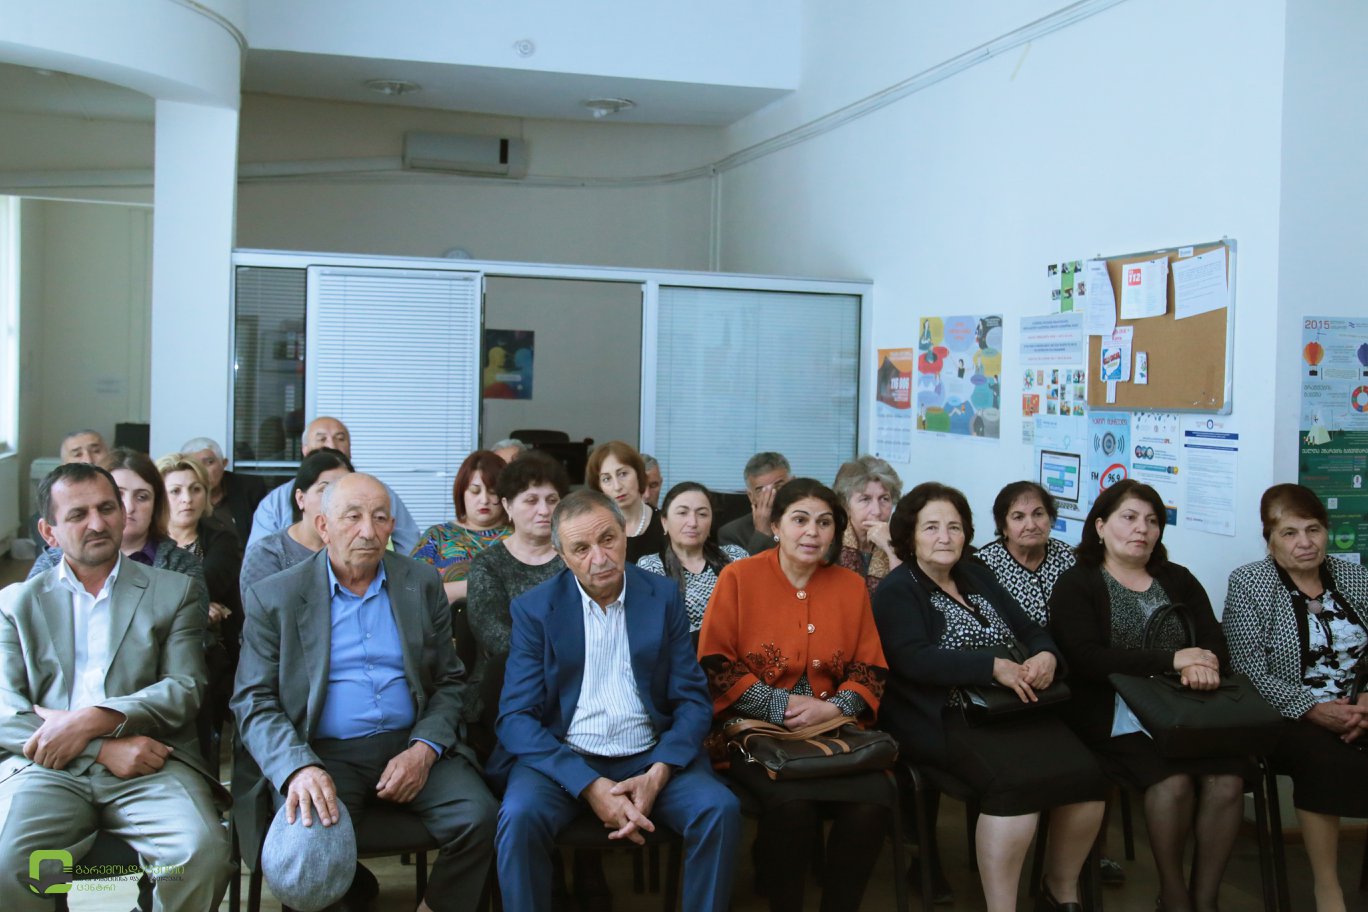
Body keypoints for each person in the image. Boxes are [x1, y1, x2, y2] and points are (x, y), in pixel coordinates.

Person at [233, 473, 497, 912]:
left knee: (480, 816)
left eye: (379, 518)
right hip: (321, 751)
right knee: (309, 846)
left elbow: (449, 681)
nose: (368, 531)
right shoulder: (276, 596)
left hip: (409, 742)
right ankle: (349, 888)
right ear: (323, 526)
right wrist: (298, 768)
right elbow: (253, 701)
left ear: (392, 525)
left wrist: (424, 750)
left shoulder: (420, 582)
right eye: (352, 517)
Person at [492, 489, 741, 912]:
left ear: (625, 534)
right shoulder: (535, 610)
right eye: (581, 548)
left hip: (650, 755)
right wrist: (589, 785)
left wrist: (658, 774)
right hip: (565, 759)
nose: (599, 557)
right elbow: (515, 717)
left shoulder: (662, 597)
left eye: (607, 539)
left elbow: (693, 700)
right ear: (562, 555)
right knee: (519, 818)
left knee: (719, 809)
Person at [0, 463, 232, 911]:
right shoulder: (14, 604)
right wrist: (100, 749)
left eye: (107, 508)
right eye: (78, 514)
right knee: (11, 864)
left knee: (199, 856)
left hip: (150, 762)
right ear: (49, 532)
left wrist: (91, 720)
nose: (97, 523)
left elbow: (183, 688)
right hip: (47, 767)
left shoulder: (174, 592)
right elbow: (5, 710)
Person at [871, 482, 1106, 912]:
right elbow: (912, 659)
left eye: (955, 527)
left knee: (1088, 777)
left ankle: (1060, 890)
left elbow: (1028, 628)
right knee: (1014, 787)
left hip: (1012, 707)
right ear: (909, 536)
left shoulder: (976, 575)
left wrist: (1046, 655)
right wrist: (990, 667)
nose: (945, 537)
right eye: (931, 527)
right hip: (945, 716)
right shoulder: (898, 589)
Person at [1050, 480, 1245, 912]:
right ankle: (1173, 896)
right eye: (1130, 518)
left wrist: (1203, 664)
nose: (1142, 529)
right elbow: (1085, 658)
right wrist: (1172, 659)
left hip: (1187, 707)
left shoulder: (1177, 578)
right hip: (1113, 711)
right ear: (1100, 526)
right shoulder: (1078, 583)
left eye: (1153, 521)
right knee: (1172, 782)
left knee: (1227, 781)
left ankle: (1206, 899)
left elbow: (1213, 639)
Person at [698, 478, 890, 912]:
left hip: (833, 733)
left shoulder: (850, 586)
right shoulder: (738, 577)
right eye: (800, 520)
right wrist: (778, 705)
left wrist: (833, 708)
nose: (812, 532)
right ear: (776, 526)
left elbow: (872, 668)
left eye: (824, 523)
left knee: (873, 802)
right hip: (755, 733)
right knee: (793, 806)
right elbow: (715, 663)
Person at [1224, 483, 1368, 912]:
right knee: (1326, 759)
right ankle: (1328, 888)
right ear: (1269, 539)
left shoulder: (1355, 576)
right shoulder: (1251, 583)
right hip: (1287, 715)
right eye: (1289, 532)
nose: (1305, 542)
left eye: (1313, 529)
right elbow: (1247, 670)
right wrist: (1312, 709)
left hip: (1358, 706)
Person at [465, 452, 569, 758]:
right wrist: (555, 662)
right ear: (508, 506)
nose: (544, 510)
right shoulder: (488, 564)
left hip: (574, 679)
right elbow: (494, 635)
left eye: (552, 500)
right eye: (531, 500)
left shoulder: (575, 558)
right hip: (507, 682)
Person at [28, 448, 206, 593]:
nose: (129, 507)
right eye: (118, 495)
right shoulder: (52, 562)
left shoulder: (181, 566)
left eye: (142, 497)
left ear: (156, 504)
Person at [245, 416, 420, 553]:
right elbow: (259, 558)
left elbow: (410, 547)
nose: (331, 445)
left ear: (350, 449)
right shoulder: (275, 501)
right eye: (321, 439)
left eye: (340, 438)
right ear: (305, 450)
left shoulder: (378, 493)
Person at [637, 481, 746, 641]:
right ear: (664, 522)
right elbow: (655, 629)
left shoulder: (736, 557)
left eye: (702, 514)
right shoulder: (650, 568)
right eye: (682, 513)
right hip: (681, 655)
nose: (693, 523)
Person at [238, 448, 354, 599]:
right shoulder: (267, 553)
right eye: (324, 489)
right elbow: (264, 610)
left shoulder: (360, 546)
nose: (337, 500)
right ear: (300, 498)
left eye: (344, 491)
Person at [157, 452, 243, 639]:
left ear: (206, 494)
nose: (187, 499)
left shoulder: (223, 540)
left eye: (196, 489)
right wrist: (201, 609)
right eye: (175, 491)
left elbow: (200, 588)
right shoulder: (147, 541)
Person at [410, 449, 511, 605]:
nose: (484, 499)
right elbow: (410, 590)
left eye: (492, 492)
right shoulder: (437, 536)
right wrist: (474, 587)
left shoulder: (522, 536)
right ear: (461, 493)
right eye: (475, 491)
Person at [974, 481, 1077, 628]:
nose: (1031, 526)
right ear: (1003, 526)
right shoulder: (983, 565)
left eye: (1038, 514)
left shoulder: (1070, 558)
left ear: (1050, 518)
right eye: (1018, 517)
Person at [833, 455, 903, 596]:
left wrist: (891, 548)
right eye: (865, 499)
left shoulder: (903, 544)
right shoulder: (831, 542)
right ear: (846, 505)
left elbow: (904, 591)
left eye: (884, 499)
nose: (877, 511)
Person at [27, 428, 110, 547]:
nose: (88, 460)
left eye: (96, 451)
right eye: (77, 454)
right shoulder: (48, 518)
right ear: (64, 464)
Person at [585, 440, 664, 563]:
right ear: (599, 487)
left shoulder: (666, 524)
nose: (617, 487)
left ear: (638, 475)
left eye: (623, 474)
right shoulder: (592, 528)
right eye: (606, 479)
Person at [182, 435, 268, 543]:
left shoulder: (249, 487)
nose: (202, 471)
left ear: (224, 463)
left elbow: (266, 534)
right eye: (195, 465)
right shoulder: (182, 498)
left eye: (209, 462)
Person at [717, 451, 791, 555]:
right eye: (762, 490)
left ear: (793, 484)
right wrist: (762, 533)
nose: (772, 495)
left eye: (779, 486)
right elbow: (745, 566)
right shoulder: (732, 534)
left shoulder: (810, 521)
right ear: (751, 497)